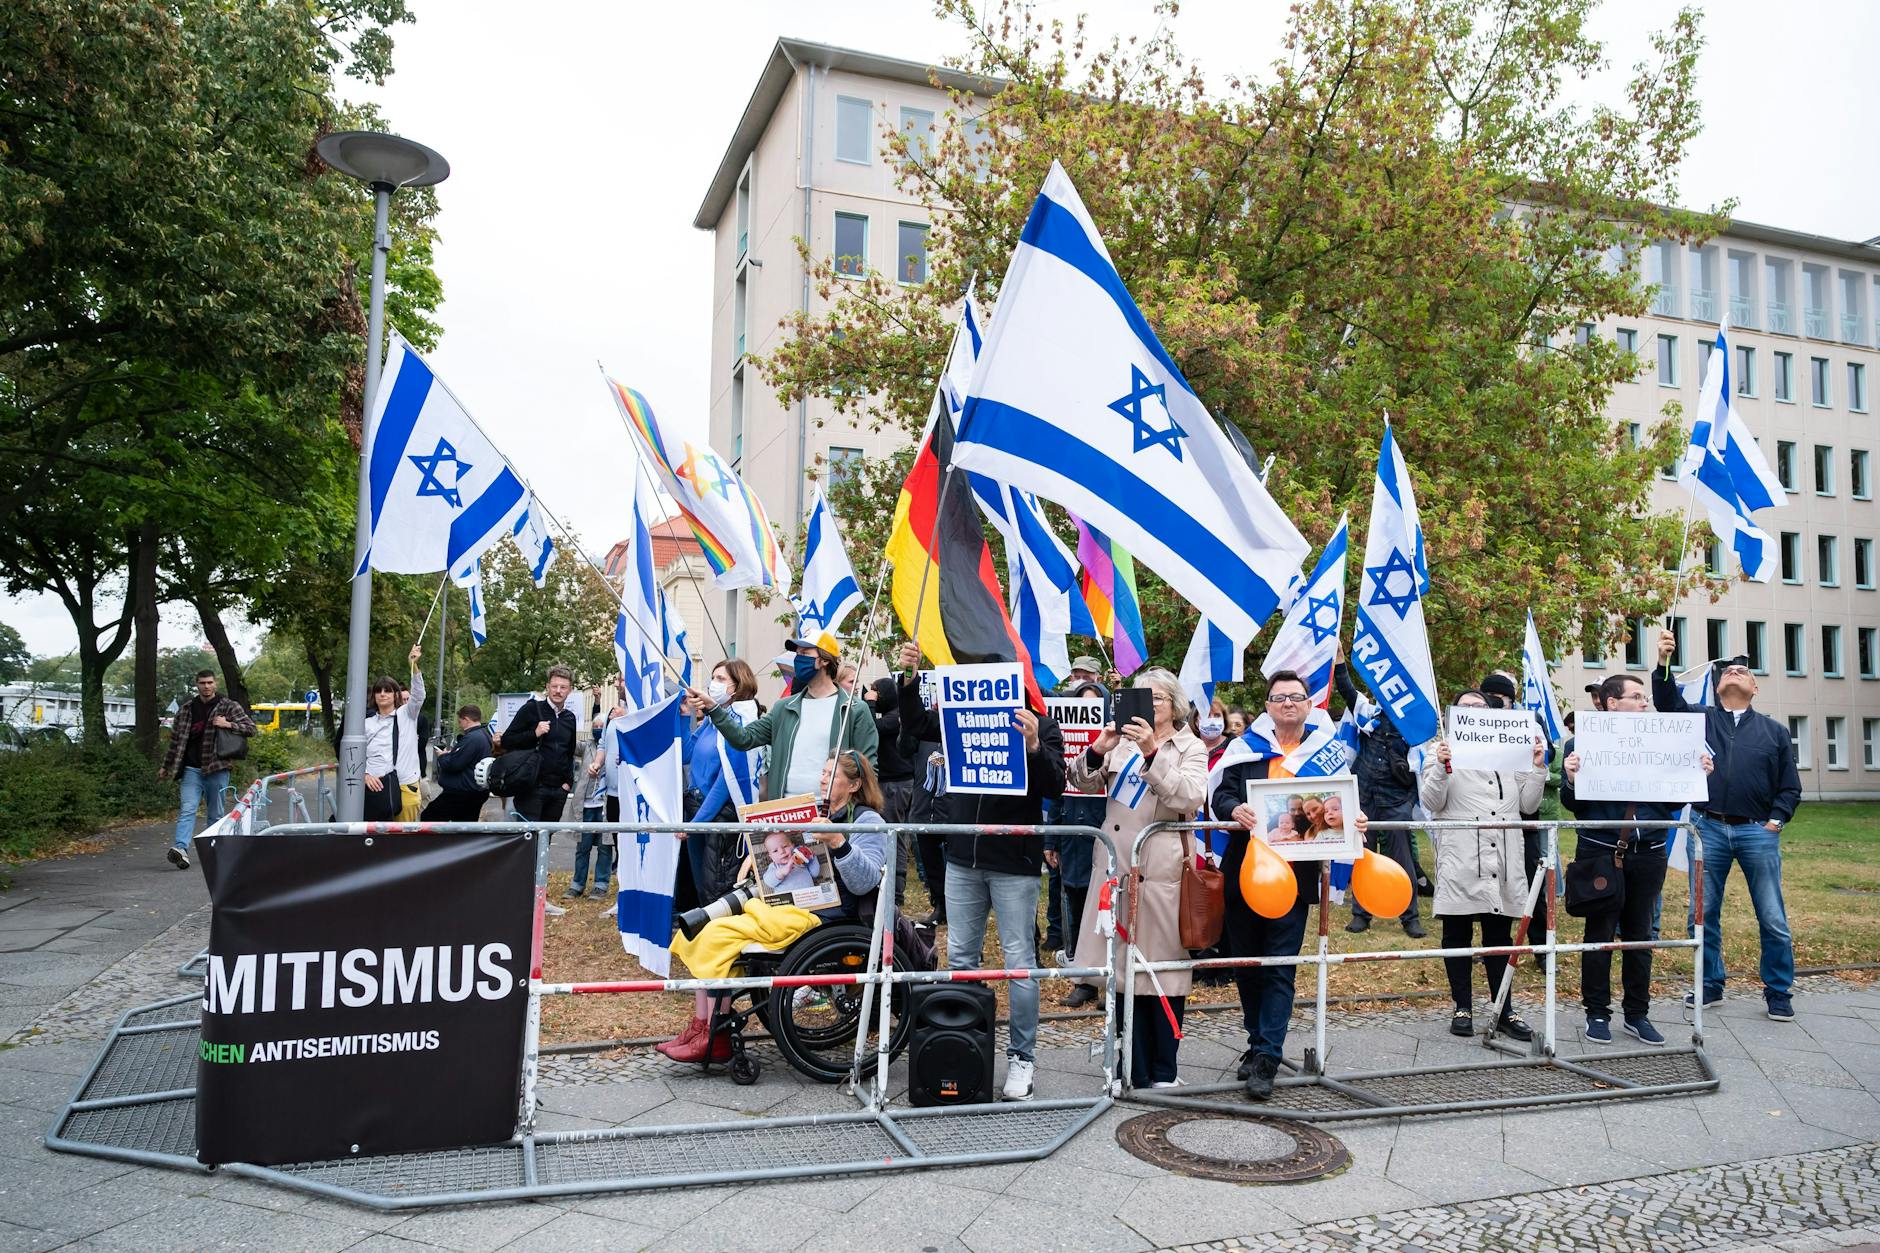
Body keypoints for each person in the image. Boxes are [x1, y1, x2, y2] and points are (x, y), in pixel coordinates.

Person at [896, 640, 1065, 1101]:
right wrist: (909, 679)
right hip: (962, 859)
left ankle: (1022, 1059)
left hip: (1014, 862)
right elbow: (915, 725)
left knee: (1019, 964)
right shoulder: (958, 722)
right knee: (962, 960)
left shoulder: (1042, 726)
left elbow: (1056, 784)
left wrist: (1032, 744)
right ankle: (964, 1049)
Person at [657, 750, 891, 1063]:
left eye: (831, 775)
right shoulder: (815, 814)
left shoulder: (867, 820)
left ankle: (715, 1033)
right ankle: (703, 1025)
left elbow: (866, 881)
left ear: (854, 785)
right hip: (788, 904)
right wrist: (755, 863)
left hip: (825, 916)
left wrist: (838, 841)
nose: (822, 780)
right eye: (822, 773)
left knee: (719, 934)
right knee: (703, 928)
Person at [1210, 670, 1368, 1100]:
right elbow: (1220, 795)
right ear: (1267, 706)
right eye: (1279, 698)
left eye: (1296, 697)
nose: (1287, 704)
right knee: (1245, 963)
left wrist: (1354, 819)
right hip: (1246, 872)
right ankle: (1254, 1039)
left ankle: (1267, 1055)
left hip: (1294, 876)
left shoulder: (1327, 753)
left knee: (1279, 965)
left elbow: (1344, 804)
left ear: (1309, 705)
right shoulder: (1244, 750)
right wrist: (1234, 808)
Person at [1064, 667, 1209, 1088]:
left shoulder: (1190, 746)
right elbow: (1081, 782)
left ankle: (1164, 1068)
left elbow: (1189, 796)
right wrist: (1097, 750)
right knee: (1120, 969)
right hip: (1115, 867)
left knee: (1160, 969)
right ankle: (1129, 1064)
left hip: (1160, 870)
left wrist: (1152, 753)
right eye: (1140, 697)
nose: (1148, 705)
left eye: (1156, 698)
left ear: (1174, 705)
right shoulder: (1121, 744)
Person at [1652, 632, 1803, 1022]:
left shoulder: (1774, 732)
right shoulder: (1700, 719)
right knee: (1702, 913)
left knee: (1771, 915)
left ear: (1754, 688)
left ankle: (1778, 991)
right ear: (1719, 687)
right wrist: (1664, 661)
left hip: (1757, 832)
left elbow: (1790, 786)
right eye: (1728, 671)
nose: (1735, 672)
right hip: (1707, 829)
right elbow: (1667, 701)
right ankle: (1709, 985)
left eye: (1744, 671)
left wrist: (1777, 818)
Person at [1561, 673, 1714, 1046]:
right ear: (1612, 703)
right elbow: (1575, 806)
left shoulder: (1663, 743)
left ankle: (1637, 1014)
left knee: (1640, 934)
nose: (1645, 703)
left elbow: (1672, 802)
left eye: (1645, 697)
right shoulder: (1579, 744)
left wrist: (1697, 774)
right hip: (1600, 850)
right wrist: (1569, 778)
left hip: (1649, 852)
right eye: (1637, 696)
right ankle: (1596, 1013)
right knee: (1598, 935)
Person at [1419, 688, 1545, 1042]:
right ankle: (1462, 1006)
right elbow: (1431, 801)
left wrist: (1536, 767)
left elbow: (1529, 805)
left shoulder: (1510, 750)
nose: (1473, 711)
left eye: (1480, 707)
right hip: (1462, 851)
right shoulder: (1439, 751)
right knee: (1457, 932)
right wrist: (1442, 768)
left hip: (1503, 851)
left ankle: (1503, 1008)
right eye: (1465, 707)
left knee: (1499, 934)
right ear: (1453, 715)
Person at [694, 638, 877, 801]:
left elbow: (869, 769)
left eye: (805, 653)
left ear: (825, 661)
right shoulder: (784, 707)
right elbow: (744, 738)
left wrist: (852, 813)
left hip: (830, 813)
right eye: (796, 654)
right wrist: (714, 708)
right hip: (786, 812)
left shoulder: (854, 709)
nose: (798, 659)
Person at [1334, 656, 1428, 937]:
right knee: (1362, 856)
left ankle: (1410, 916)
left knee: (1403, 859)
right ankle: (1360, 913)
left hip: (1397, 801)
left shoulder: (1415, 727)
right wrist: (1339, 661)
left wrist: (1409, 803)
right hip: (1363, 798)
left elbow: (1420, 769)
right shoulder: (1368, 714)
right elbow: (1347, 689)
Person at [158, 669, 257, 869]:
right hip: (191, 769)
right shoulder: (186, 709)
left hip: (217, 767)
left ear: (215, 683)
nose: (206, 686)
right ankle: (181, 849)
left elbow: (251, 729)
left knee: (216, 813)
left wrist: (228, 724)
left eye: (210, 682)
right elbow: (176, 740)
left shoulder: (228, 706)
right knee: (187, 809)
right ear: (197, 684)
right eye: (202, 683)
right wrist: (166, 766)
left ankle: (214, 852)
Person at [682, 660, 761, 905]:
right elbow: (687, 753)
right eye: (713, 677)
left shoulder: (741, 720)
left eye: (720, 679)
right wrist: (686, 714)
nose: (713, 683)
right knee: (699, 882)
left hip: (717, 814)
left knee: (715, 889)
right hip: (696, 806)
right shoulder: (710, 720)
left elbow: (728, 781)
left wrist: (697, 823)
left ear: (737, 687)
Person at [1046, 662, 1108, 972]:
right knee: (1071, 896)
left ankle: (1100, 967)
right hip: (1071, 837)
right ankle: (1077, 967)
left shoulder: (1117, 745)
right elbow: (1057, 796)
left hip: (1102, 837)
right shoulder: (1065, 744)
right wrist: (1050, 839)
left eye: (1093, 707)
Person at [360, 645, 425, 823]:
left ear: (396, 694)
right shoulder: (366, 724)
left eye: (387, 690)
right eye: (378, 691)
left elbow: (419, 696)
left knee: (404, 840)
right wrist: (365, 775)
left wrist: (413, 665)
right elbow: (356, 756)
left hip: (405, 785)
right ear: (373, 696)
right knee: (377, 840)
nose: (383, 694)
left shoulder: (407, 714)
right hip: (376, 788)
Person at [568, 697, 624, 900]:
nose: (599, 728)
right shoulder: (587, 746)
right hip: (586, 804)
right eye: (596, 726)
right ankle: (577, 883)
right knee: (582, 847)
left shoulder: (617, 742)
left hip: (605, 804)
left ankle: (601, 884)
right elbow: (570, 746)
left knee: (604, 846)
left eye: (602, 725)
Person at [421, 704, 492, 821]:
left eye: (460, 722)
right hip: (475, 791)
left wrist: (442, 756)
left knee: (429, 818)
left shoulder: (471, 738)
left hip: (461, 792)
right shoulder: (484, 734)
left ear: (466, 720)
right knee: (464, 827)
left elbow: (453, 764)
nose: (460, 725)